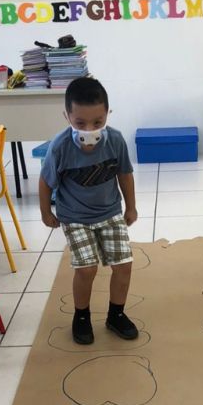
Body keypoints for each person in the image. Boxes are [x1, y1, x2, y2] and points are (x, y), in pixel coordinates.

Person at [39, 76, 138, 345]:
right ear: (67, 117)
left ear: (107, 115)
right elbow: (46, 181)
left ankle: (116, 314)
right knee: (86, 269)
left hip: (110, 212)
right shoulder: (60, 146)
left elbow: (125, 174)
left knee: (124, 264)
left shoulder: (115, 140)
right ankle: (81, 316)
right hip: (75, 217)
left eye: (98, 122)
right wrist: (46, 213)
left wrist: (131, 206)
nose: (89, 129)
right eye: (80, 123)